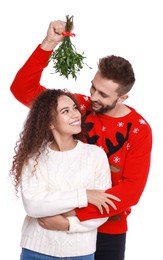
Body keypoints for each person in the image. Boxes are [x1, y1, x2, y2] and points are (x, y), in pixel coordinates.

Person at [10, 19, 152, 260]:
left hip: (107, 229)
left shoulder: (139, 129)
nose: (93, 96)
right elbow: (22, 90)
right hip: (51, 228)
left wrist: (71, 216)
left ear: (123, 97)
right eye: (93, 87)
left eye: (103, 94)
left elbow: (131, 190)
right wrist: (49, 44)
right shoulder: (77, 107)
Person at [9, 88, 120, 260]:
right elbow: (33, 205)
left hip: (81, 253)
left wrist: (67, 224)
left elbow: (102, 209)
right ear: (50, 122)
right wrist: (85, 196)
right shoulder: (34, 158)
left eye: (75, 108)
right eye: (65, 111)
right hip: (36, 251)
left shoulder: (95, 155)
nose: (76, 114)